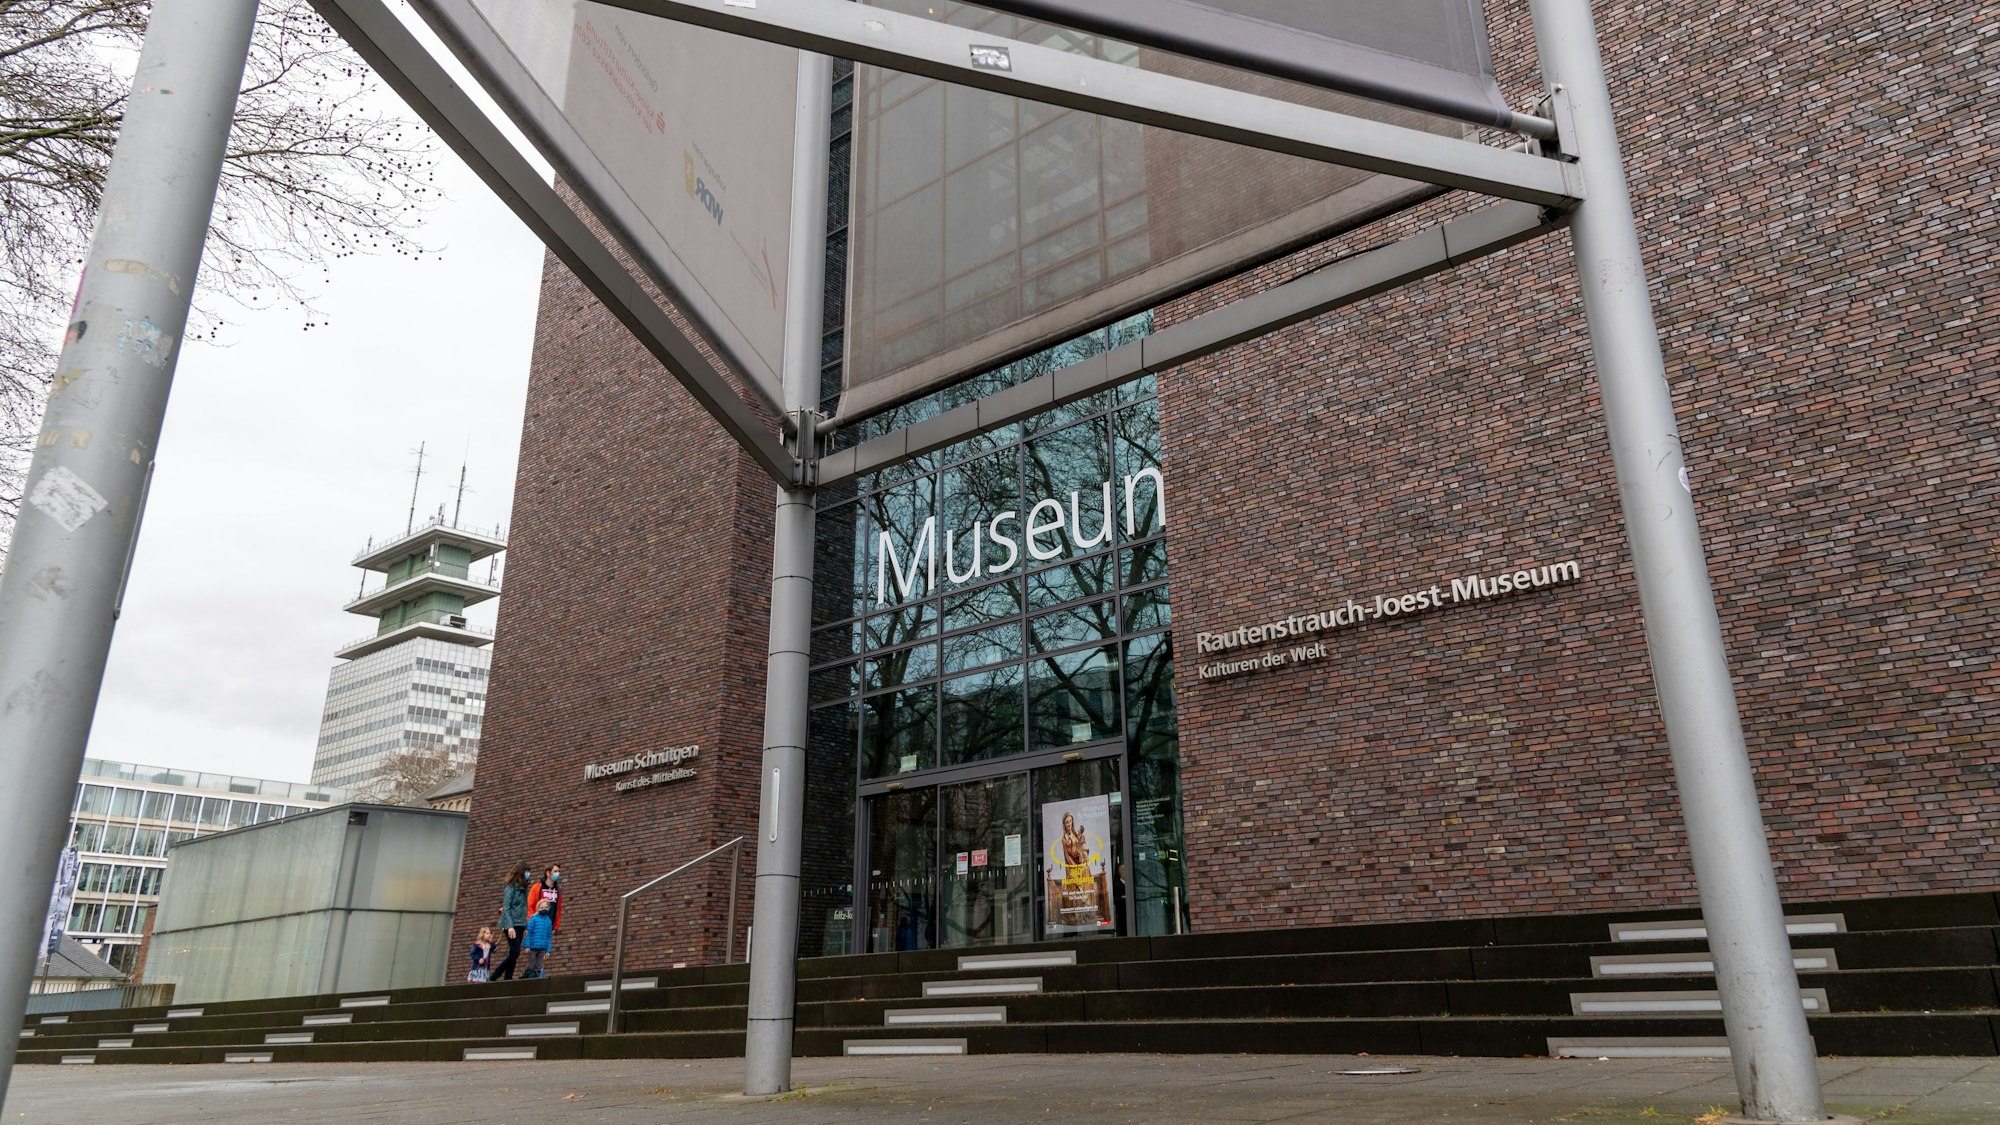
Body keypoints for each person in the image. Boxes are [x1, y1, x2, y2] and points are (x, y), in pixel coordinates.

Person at [493, 863, 531, 981]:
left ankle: (508, 977)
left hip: (520, 923)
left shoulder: (523, 887)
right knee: (515, 952)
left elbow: (524, 908)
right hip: (511, 923)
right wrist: (510, 926)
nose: (528, 874)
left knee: (514, 952)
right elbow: (507, 907)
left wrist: (524, 926)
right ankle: (495, 975)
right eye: (526, 871)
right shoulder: (510, 887)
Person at [522, 898, 555, 980]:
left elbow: (549, 937)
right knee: (530, 966)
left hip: (542, 949)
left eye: (546, 907)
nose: (544, 909)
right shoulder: (533, 919)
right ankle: (523, 977)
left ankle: (536, 981)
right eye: (542, 907)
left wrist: (548, 950)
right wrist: (527, 946)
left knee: (539, 967)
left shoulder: (549, 921)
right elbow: (528, 933)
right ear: (538, 908)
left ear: (548, 908)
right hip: (533, 947)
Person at [527, 864, 565, 934]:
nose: (558, 873)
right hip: (537, 925)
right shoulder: (537, 887)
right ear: (548, 873)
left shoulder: (558, 891)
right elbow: (529, 906)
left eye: (559, 871)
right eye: (555, 871)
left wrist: (555, 927)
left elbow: (558, 909)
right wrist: (531, 921)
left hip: (549, 927)